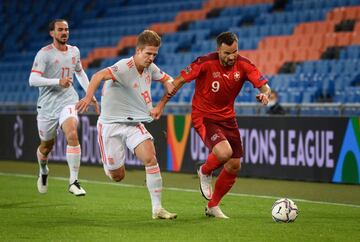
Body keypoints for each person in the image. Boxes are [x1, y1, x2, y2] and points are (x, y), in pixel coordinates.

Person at [151, 32, 271, 218]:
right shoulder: (205, 62)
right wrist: (161, 105)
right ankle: (205, 170)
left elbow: (264, 86)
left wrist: (265, 94)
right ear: (218, 50)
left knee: (234, 165)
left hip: (228, 118)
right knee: (224, 153)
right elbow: (178, 82)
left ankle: (213, 206)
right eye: (227, 53)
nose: (232, 56)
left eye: (235, 52)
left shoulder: (244, 64)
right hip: (204, 116)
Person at [76, 30, 177, 219]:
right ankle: (109, 165)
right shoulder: (123, 67)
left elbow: (167, 79)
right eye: (148, 53)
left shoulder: (151, 68)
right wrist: (89, 97)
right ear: (138, 51)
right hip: (110, 126)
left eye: (155, 54)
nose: (151, 58)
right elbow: (98, 75)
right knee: (117, 176)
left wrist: (167, 89)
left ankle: (157, 209)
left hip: (133, 124)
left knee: (151, 158)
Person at [29, 19, 99, 196]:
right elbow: (33, 80)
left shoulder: (74, 51)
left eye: (66, 29)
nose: (64, 32)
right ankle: (43, 170)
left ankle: (73, 181)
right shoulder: (44, 54)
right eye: (60, 30)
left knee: (72, 132)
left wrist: (90, 94)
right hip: (46, 107)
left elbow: (80, 72)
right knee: (46, 147)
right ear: (52, 33)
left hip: (68, 101)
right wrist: (57, 81)